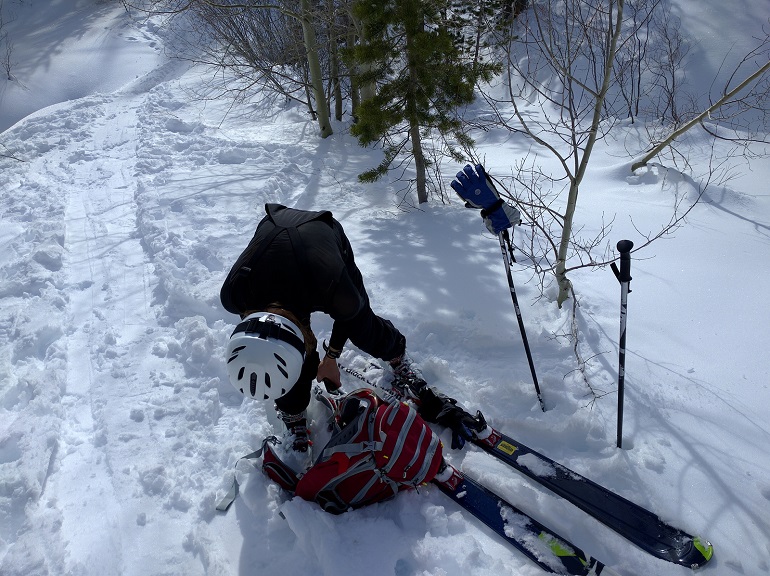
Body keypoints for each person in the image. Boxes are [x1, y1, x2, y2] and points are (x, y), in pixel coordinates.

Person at [221, 204, 484, 456]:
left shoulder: (333, 288)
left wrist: (331, 357)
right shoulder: (234, 293)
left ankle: (397, 357)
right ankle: (293, 409)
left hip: (321, 236)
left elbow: (348, 317)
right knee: (288, 357)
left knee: (362, 326)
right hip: (275, 236)